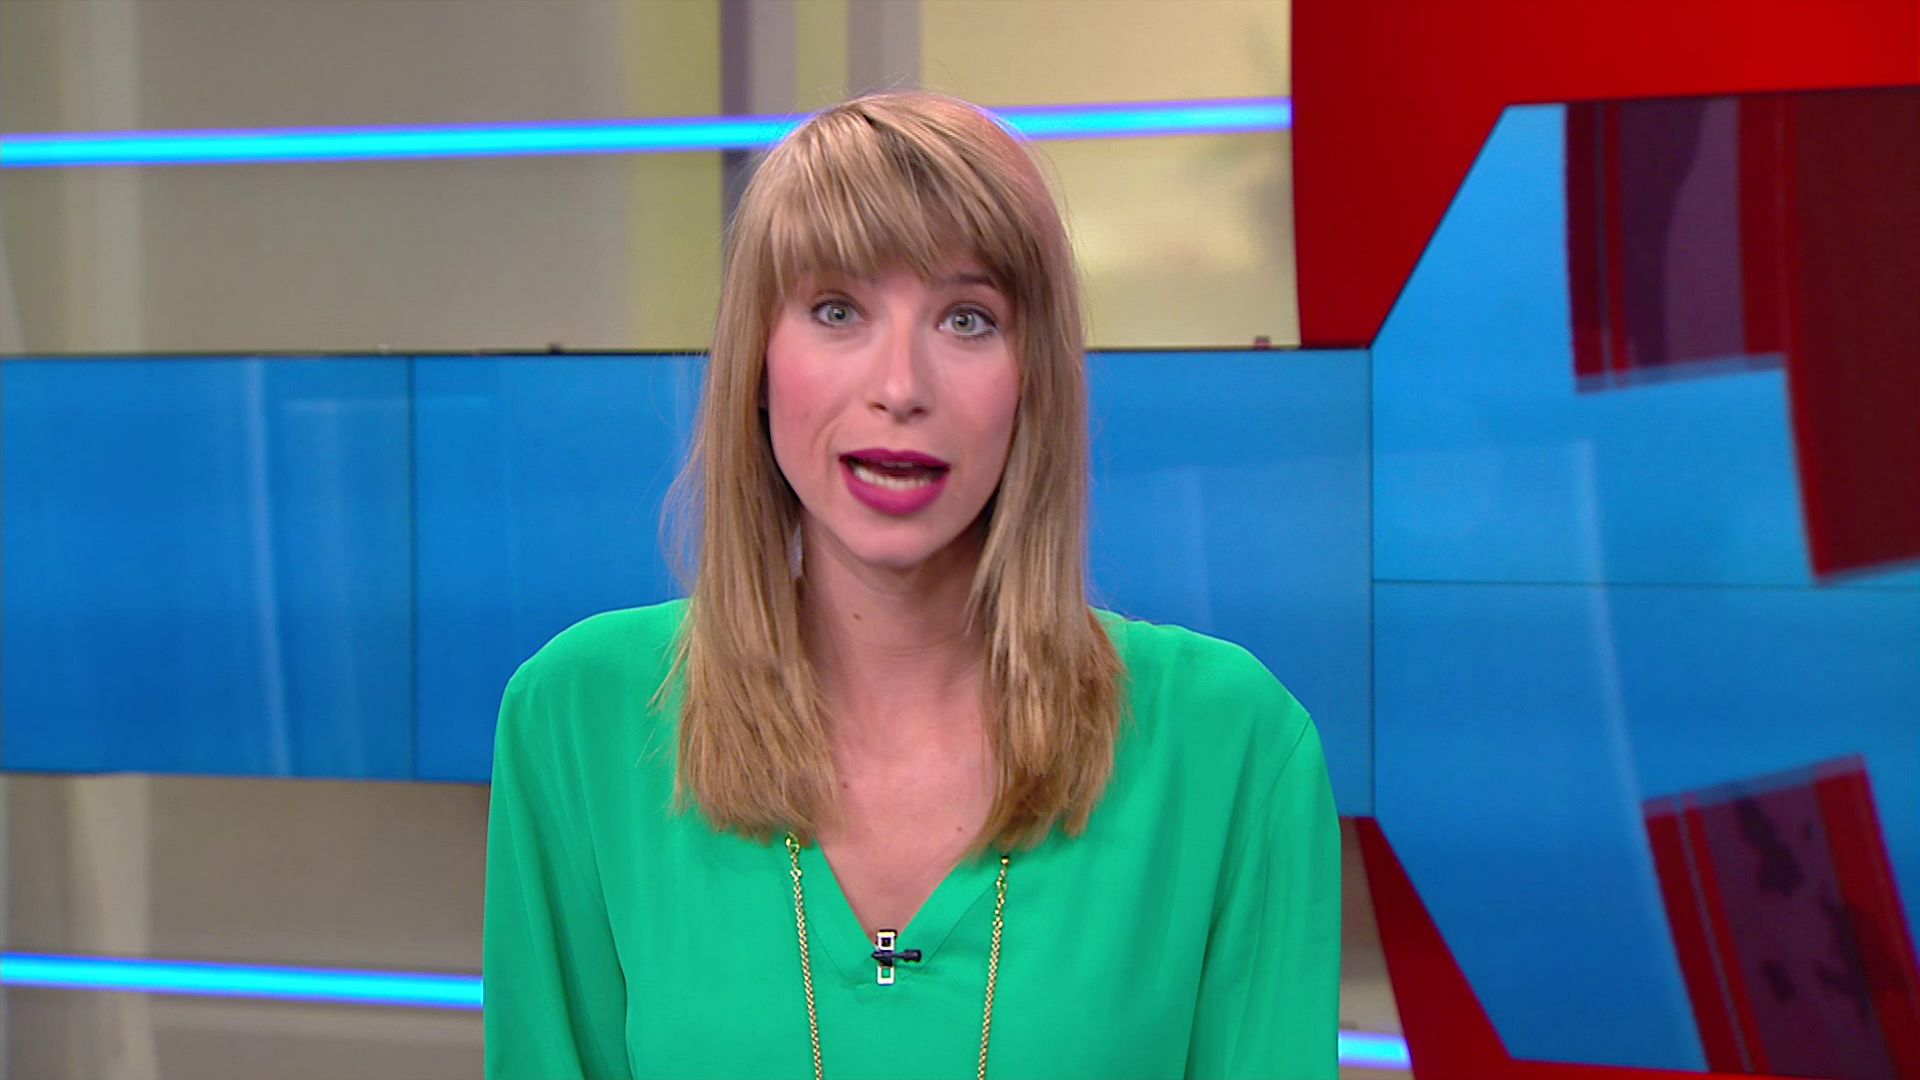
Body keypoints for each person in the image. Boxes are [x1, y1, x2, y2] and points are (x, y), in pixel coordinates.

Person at [483, 90, 1340, 1080]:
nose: (900, 387)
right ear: (758, 362)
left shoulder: (1233, 746)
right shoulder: (579, 718)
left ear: (1033, 381)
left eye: (967, 319)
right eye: (837, 310)